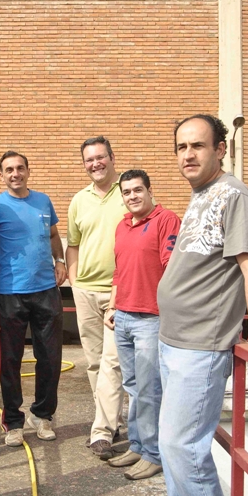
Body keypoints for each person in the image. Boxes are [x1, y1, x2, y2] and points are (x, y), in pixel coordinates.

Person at [128, 115, 248, 496]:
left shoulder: (235, 196)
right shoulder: (202, 196)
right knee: (171, 441)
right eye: (180, 147)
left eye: (198, 145)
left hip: (202, 344)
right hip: (173, 338)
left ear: (221, 149)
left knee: (183, 444)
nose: (188, 155)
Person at [0, 151, 66, 446]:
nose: (15, 173)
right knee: (10, 360)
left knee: (50, 358)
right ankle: (13, 421)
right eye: (8, 170)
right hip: (9, 292)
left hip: (45, 290)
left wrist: (60, 261)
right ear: (1, 175)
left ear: (28, 170)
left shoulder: (43, 201)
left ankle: (42, 416)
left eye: (19, 168)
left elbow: (53, 235)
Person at [104, 169, 180, 480]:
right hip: (123, 316)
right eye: (127, 192)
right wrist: (112, 305)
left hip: (151, 318)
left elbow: (172, 269)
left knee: (150, 390)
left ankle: (154, 453)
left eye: (138, 190)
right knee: (133, 387)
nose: (132, 196)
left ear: (149, 191)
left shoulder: (166, 220)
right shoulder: (123, 225)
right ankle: (137, 445)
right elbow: (120, 271)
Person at [66, 136, 126, 460]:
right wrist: (75, 283)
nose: (95, 164)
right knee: (93, 361)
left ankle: (101, 431)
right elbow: (72, 244)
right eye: (89, 159)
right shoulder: (79, 200)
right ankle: (110, 419)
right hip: (86, 291)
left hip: (120, 292)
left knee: (112, 363)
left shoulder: (127, 192)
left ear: (112, 157)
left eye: (100, 157)